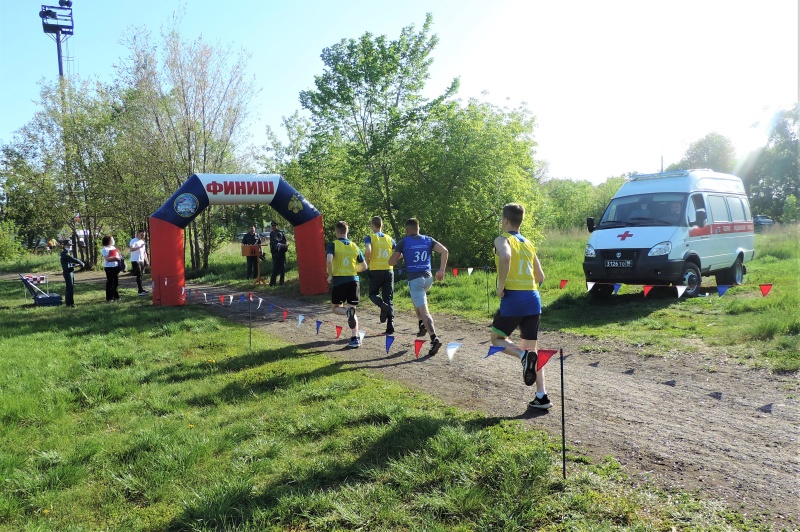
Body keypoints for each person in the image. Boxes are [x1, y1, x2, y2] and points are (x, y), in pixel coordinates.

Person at [489, 203, 551, 410]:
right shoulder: (528, 243)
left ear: (505, 220)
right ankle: (541, 396)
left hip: (514, 299)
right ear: (520, 221)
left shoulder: (502, 238)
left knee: (496, 339)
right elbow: (540, 276)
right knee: (533, 348)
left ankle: (522, 356)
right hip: (533, 299)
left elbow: (505, 257)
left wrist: (500, 287)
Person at [388, 218, 448, 356]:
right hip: (428, 278)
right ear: (418, 228)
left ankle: (434, 338)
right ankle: (421, 324)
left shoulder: (403, 242)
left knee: (424, 310)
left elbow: (391, 261)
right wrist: (441, 270)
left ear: (407, 230)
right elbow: (445, 251)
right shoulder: (428, 239)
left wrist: (399, 255)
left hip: (415, 280)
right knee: (418, 301)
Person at [326, 221, 368, 348]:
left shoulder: (333, 244)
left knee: (335, 308)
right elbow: (365, 266)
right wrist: (354, 270)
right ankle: (355, 339)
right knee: (352, 309)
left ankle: (347, 313)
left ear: (336, 231)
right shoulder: (354, 246)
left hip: (339, 281)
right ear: (347, 231)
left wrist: (330, 275)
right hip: (354, 281)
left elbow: (328, 259)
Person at [364, 216, 396, 335]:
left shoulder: (370, 237)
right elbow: (399, 253)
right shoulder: (389, 238)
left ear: (373, 225)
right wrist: (392, 261)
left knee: (373, 294)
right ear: (382, 225)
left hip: (376, 270)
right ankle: (390, 326)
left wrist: (367, 263)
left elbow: (368, 250)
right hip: (389, 270)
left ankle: (382, 305)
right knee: (389, 297)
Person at [60, 241, 84, 307]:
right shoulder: (65, 253)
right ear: (64, 246)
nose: (70, 246)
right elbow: (72, 259)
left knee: (71, 287)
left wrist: (76, 265)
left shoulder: (67, 253)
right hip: (67, 272)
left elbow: (70, 263)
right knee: (69, 288)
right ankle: (69, 303)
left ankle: (70, 302)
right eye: (68, 245)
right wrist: (80, 262)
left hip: (70, 271)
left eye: (70, 245)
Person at [101, 235, 123, 302]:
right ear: (108, 241)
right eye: (112, 239)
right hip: (109, 267)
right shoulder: (105, 248)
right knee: (110, 282)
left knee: (115, 282)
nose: (113, 240)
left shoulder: (113, 247)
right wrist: (115, 258)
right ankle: (109, 297)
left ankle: (116, 296)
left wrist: (119, 257)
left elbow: (117, 255)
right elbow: (107, 259)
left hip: (115, 266)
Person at [268, 221, 289, 286]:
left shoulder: (281, 232)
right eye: (272, 226)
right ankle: (272, 283)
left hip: (281, 252)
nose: (273, 227)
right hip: (275, 252)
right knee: (275, 268)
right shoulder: (271, 233)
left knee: (282, 268)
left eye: (275, 226)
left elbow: (284, 241)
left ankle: (281, 282)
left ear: (277, 226)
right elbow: (272, 243)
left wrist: (283, 245)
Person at [129, 229, 149, 296]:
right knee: (138, 275)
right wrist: (139, 247)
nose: (143, 236)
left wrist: (147, 261)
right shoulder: (133, 240)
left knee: (141, 275)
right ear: (138, 234)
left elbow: (144, 252)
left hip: (141, 260)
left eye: (144, 235)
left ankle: (141, 289)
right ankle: (140, 291)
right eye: (141, 235)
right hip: (135, 260)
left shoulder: (142, 241)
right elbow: (131, 249)